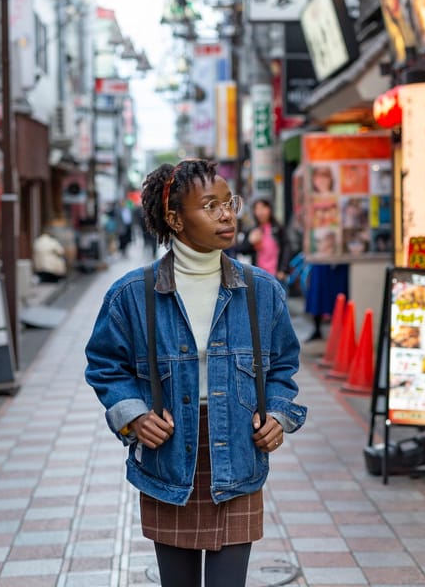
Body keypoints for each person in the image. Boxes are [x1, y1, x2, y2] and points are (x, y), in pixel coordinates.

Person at [85, 159, 307, 587]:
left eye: (229, 203)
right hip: (168, 459)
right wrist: (132, 415)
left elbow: (282, 365)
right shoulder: (134, 293)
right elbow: (105, 364)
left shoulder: (261, 290)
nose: (227, 215)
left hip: (239, 454)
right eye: (210, 206)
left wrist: (278, 415)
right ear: (174, 218)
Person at [236, 198, 291, 281]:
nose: (260, 212)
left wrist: (283, 270)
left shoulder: (278, 229)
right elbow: (242, 250)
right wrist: (250, 242)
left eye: (263, 208)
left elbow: (286, 249)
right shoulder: (253, 230)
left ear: (269, 209)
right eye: (257, 209)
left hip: (276, 276)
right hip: (258, 276)